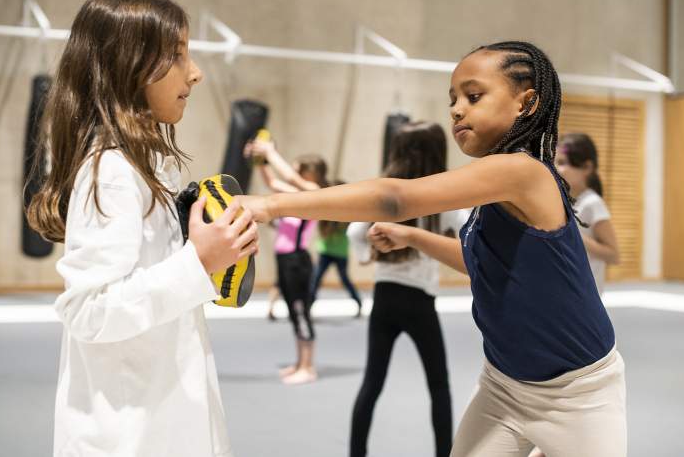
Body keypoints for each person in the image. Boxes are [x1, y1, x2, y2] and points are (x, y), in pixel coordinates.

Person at [239, 41, 627, 457]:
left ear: (526, 103)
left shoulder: (522, 172)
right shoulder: (492, 188)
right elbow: (480, 266)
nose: (458, 109)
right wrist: (413, 237)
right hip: (505, 385)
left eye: (474, 96)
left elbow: (396, 198)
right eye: (453, 100)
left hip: (578, 395)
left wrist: (268, 204)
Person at [26, 0, 258, 457]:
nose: (195, 72)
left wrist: (207, 261)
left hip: (163, 419)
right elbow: (88, 310)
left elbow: (151, 290)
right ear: (126, 65)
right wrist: (198, 262)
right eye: (176, 55)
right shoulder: (111, 170)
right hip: (127, 436)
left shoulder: (144, 165)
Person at [347, 121, 467, 457]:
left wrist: (370, 254)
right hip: (419, 301)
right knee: (438, 386)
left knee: (372, 383)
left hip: (385, 296)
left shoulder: (386, 195)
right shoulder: (443, 197)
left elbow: (353, 233)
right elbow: (467, 230)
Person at [248, 139, 327, 384]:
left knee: (301, 312)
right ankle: (300, 363)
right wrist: (259, 160)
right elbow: (272, 182)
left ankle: (308, 367)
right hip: (285, 260)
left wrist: (271, 152)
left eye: (296, 168)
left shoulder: (314, 192)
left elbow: (292, 180)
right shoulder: (297, 195)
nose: (292, 171)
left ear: (309, 173)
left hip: (297, 261)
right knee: (294, 313)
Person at [555, 133, 620, 293]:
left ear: (587, 167)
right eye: (555, 162)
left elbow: (614, 255)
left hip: (585, 292)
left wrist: (575, 235)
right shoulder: (565, 201)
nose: (556, 168)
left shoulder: (593, 203)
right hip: (567, 286)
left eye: (562, 163)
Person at [311, 180, 363, 317]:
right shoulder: (325, 210)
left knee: (344, 279)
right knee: (316, 278)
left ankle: (358, 302)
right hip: (326, 251)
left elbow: (351, 227)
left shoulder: (349, 211)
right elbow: (323, 232)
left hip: (340, 251)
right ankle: (308, 305)